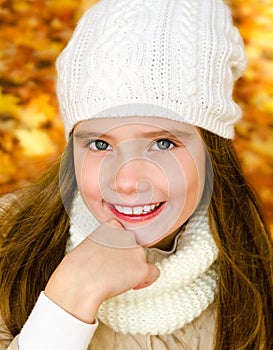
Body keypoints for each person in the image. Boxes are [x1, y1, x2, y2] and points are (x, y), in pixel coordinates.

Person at [0, 0, 272, 349]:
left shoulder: (250, 270)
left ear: (211, 149)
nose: (127, 182)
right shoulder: (9, 245)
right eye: (99, 144)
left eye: (162, 143)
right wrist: (70, 297)